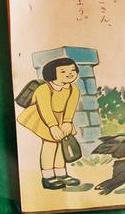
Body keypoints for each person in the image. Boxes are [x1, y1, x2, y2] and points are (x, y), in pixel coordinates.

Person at [17, 57, 81, 190]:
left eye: (72, 70)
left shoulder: (73, 89)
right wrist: (52, 126)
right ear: (51, 74)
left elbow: (71, 106)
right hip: (44, 118)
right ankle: (48, 177)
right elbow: (44, 108)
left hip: (62, 118)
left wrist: (67, 122)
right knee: (50, 145)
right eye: (63, 71)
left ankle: (61, 174)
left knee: (61, 145)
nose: (70, 74)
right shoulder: (44, 89)